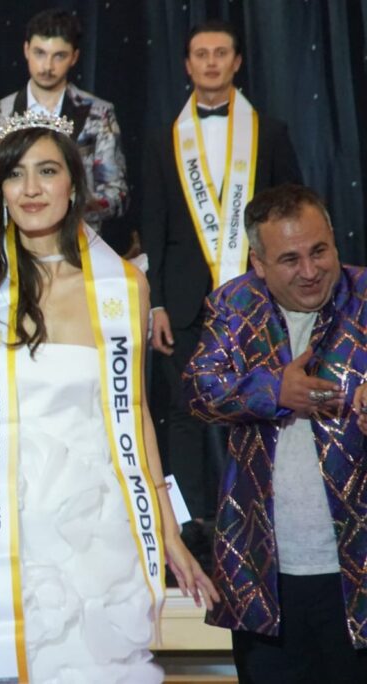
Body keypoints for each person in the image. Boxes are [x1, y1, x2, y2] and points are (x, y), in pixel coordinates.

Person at [0, 113, 217, 682]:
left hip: (89, 532)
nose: (30, 188)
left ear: (73, 185)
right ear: (1, 191)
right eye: (15, 174)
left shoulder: (122, 287)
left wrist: (167, 528)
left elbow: (134, 415)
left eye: (47, 171)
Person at [184, 184, 367, 682]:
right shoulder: (234, 304)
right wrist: (273, 391)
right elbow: (199, 390)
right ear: (259, 264)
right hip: (264, 576)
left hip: (356, 573)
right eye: (289, 259)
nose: (309, 271)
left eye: (319, 251)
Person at [140, 20, 302, 555]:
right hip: (184, 303)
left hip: (257, 297)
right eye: (200, 54)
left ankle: (265, 518)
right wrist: (156, 303)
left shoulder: (270, 132)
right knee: (184, 414)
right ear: (187, 65)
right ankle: (191, 530)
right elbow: (154, 224)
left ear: (237, 62)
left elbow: (292, 212)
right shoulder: (164, 138)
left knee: (262, 405)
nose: (210, 62)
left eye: (220, 53)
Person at [0, 8, 127, 232]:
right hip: (13, 239)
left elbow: (117, 195)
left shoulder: (98, 113)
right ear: (26, 50)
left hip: (78, 241)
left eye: (59, 56)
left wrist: (64, 205)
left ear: (74, 57)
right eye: (40, 53)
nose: (47, 66)